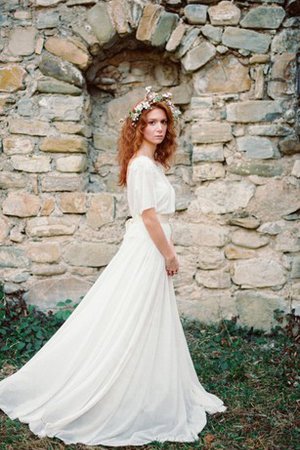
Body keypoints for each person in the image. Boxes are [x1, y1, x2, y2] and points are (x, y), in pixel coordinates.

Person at [0, 86, 226, 447]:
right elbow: (149, 215)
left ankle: (148, 380)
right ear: (139, 127)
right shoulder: (139, 165)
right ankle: (107, 382)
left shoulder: (150, 164)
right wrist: (169, 254)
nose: (159, 128)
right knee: (129, 313)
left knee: (148, 313)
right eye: (151, 122)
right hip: (149, 247)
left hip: (150, 246)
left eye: (163, 122)